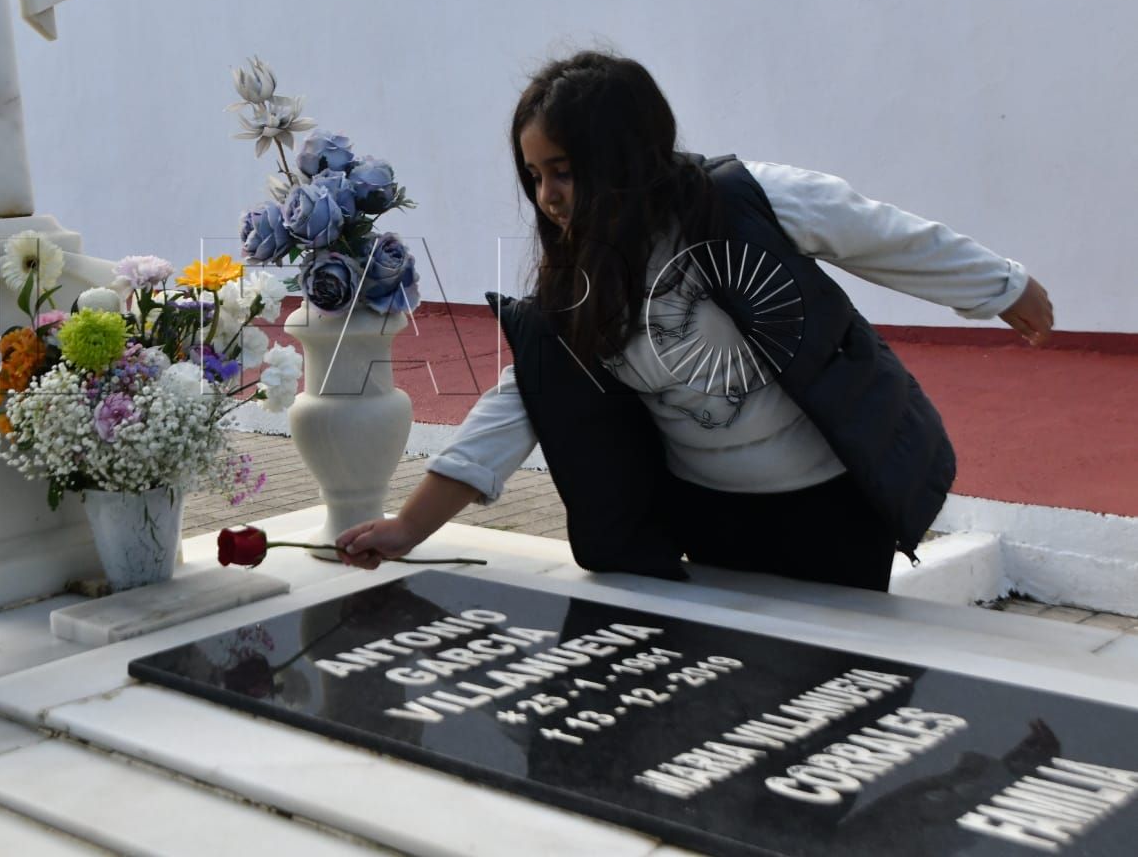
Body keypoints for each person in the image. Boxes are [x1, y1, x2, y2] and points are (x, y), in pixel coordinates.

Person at [337, 50, 1053, 590]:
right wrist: (409, 526)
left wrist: (1001, 287)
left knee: (838, 687)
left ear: (621, 154)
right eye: (534, 176)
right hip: (711, 516)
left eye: (564, 170)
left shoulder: (743, 200)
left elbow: (879, 233)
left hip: (835, 509)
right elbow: (521, 403)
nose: (548, 196)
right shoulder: (574, 288)